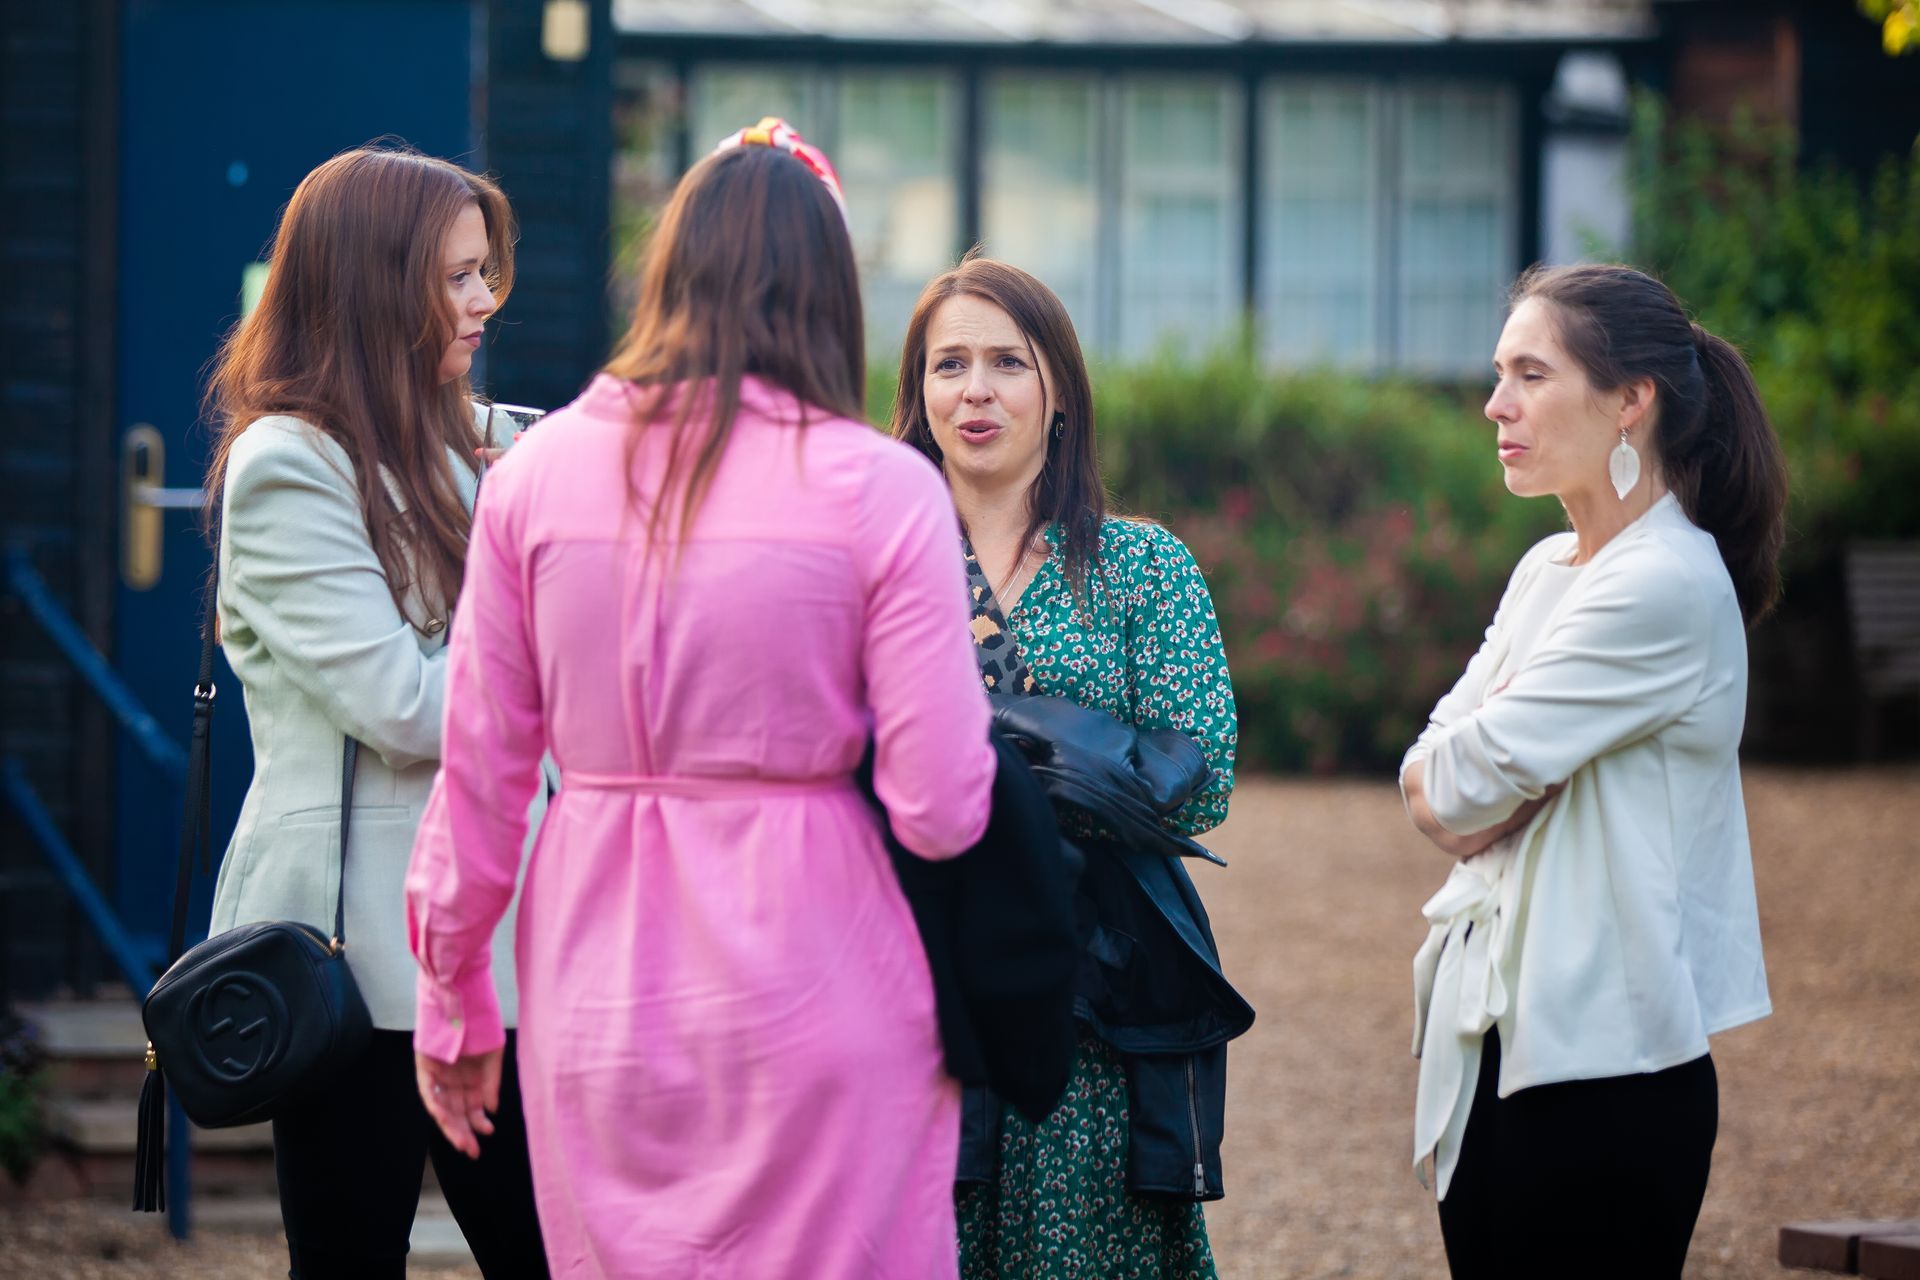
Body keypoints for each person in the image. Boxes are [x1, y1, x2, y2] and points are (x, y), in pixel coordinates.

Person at [404, 121, 998, 1279]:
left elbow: (479, 780)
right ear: (833, 292)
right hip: (825, 976)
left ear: (667, 272)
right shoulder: (885, 490)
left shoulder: (533, 475)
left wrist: (456, 999)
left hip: (597, 987)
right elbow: (940, 805)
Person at [1400, 263, 1788, 1279]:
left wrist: (1488, 772)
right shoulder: (1548, 569)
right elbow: (1432, 777)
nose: (1497, 403)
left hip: (1607, 1070)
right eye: (1499, 372)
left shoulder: (1663, 583)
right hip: (1492, 1045)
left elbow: (1461, 779)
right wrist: (1500, 774)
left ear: (1630, 399)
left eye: (1531, 373)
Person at [201, 145, 547, 1277]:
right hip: (360, 958)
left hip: (519, 939)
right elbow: (403, 704)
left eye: (484, 270)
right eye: (455, 276)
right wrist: (570, 658)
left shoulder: (503, 440)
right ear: (370, 287)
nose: (484, 298)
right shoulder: (288, 463)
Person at [891, 253, 1245, 1280]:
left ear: (1058, 393)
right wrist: (1067, 752)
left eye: (1008, 360)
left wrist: (977, 746)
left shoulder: (1141, 565)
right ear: (917, 393)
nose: (976, 389)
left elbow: (1204, 769)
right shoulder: (877, 552)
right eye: (948, 363)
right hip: (914, 972)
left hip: (1092, 985)